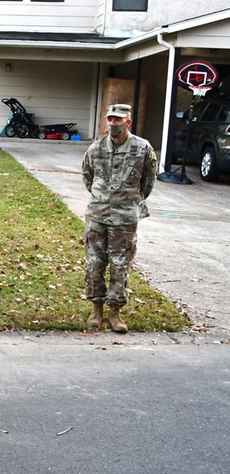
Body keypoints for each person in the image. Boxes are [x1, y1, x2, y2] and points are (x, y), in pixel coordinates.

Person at [82, 103, 157, 333]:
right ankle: (96, 309)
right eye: (110, 119)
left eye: (118, 119)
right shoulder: (95, 149)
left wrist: (127, 201)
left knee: (120, 266)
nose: (113, 123)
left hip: (125, 219)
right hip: (97, 216)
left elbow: (148, 181)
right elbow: (87, 176)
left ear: (128, 122)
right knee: (94, 264)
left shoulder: (142, 149)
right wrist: (103, 199)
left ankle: (115, 313)